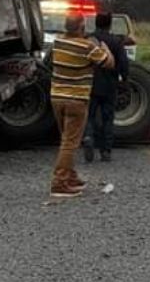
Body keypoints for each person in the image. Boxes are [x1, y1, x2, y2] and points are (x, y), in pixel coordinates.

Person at [49, 13, 114, 198]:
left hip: (56, 97)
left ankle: (70, 176)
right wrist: (104, 48)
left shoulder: (58, 43)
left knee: (66, 140)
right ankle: (59, 183)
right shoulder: (87, 47)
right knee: (70, 143)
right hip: (76, 99)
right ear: (81, 27)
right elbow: (108, 63)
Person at [83, 12, 129, 163]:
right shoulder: (116, 41)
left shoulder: (88, 40)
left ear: (96, 23)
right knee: (107, 118)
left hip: (90, 84)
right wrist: (124, 79)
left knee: (88, 116)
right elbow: (123, 63)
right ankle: (106, 151)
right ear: (110, 24)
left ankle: (88, 137)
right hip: (110, 86)